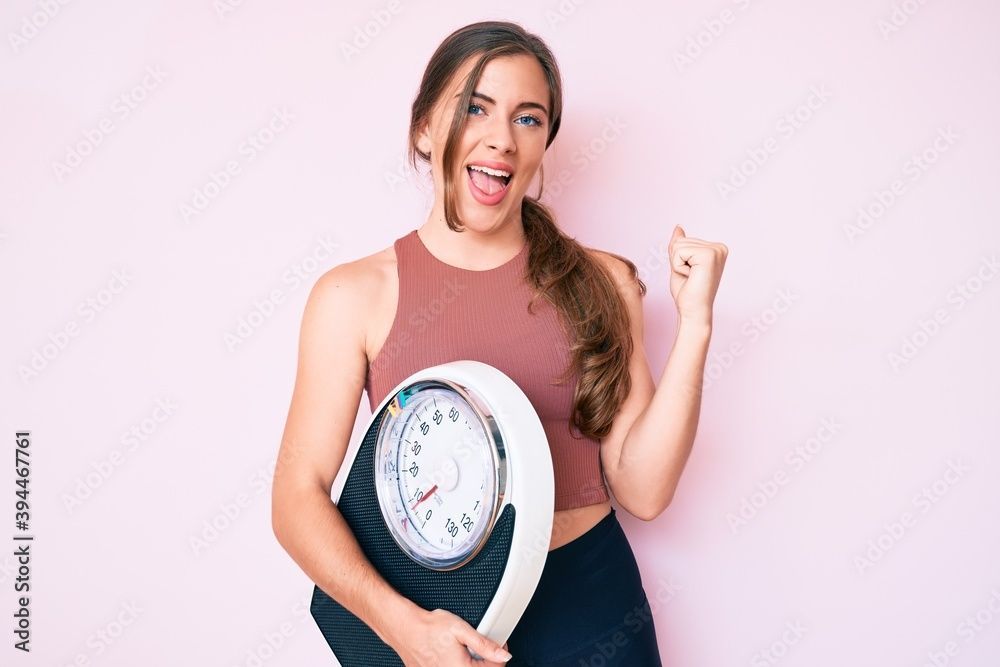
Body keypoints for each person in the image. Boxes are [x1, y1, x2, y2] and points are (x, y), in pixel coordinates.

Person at [271, 20, 727, 666]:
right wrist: (401, 627)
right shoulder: (353, 297)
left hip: (592, 607)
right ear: (425, 127)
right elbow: (296, 498)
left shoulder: (602, 282)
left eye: (528, 118)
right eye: (475, 107)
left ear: (545, 145)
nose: (501, 138)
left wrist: (697, 324)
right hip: (435, 617)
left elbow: (644, 488)